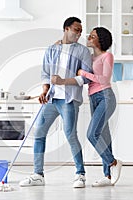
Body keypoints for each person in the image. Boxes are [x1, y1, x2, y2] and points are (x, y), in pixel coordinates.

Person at [19, 17, 93, 188]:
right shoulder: (52, 49)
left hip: (69, 99)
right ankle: (38, 174)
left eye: (81, 31)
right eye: (76, 29)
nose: (79, 33)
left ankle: (80, 174)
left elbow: (85, 77)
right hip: (52, 99)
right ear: (66, 29)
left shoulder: (82, 51)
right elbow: (45, 73)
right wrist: (45, 90)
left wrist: (63, 81)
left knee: (70, 135)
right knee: (39, 134)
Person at [51, 27, 122, 187]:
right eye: (90, 34)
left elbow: (104, 80)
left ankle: (113, 163)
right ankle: (108, 176)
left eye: (93, 35)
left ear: (100, 40)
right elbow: (71, 59)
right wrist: (59, 46)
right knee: (104, 136)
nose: (89, 37)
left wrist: (84, 73)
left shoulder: (107, 56)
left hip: (105, 96)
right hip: (93, 98)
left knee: (92, 134)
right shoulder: (89, 57)